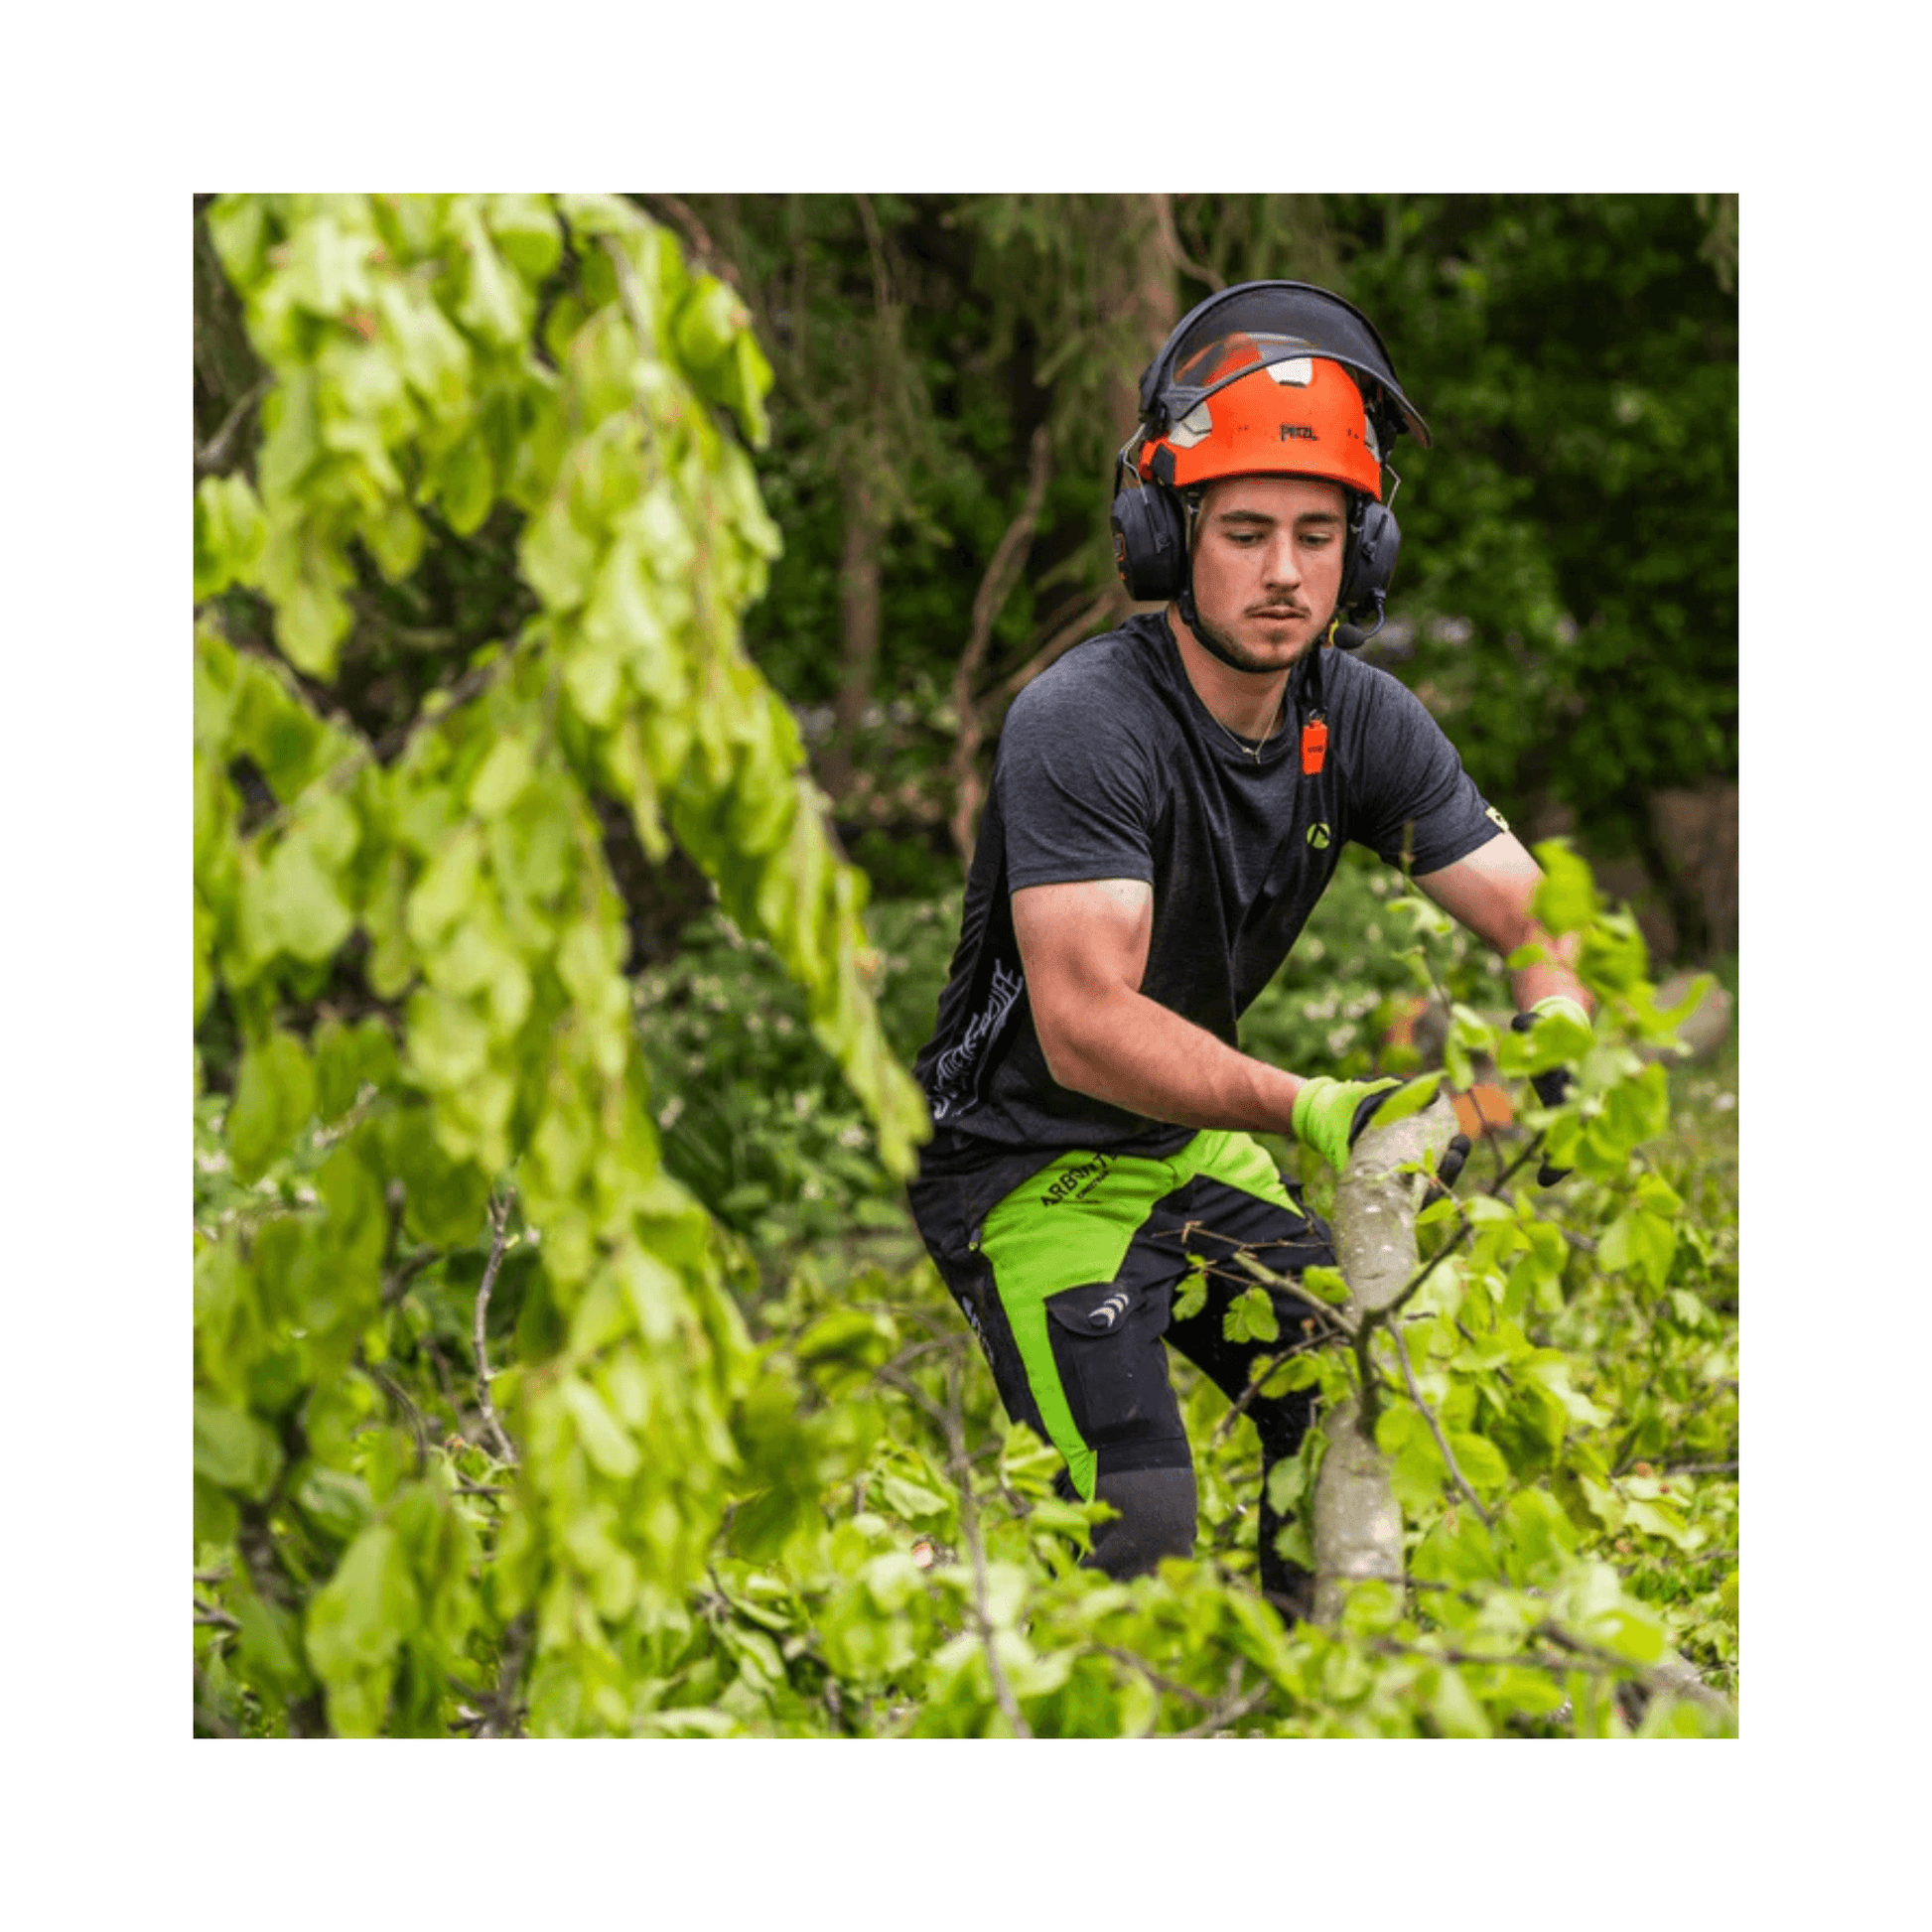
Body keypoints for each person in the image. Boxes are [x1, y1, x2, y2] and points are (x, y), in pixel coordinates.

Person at [905, 281, 1590, 1619]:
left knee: (1350, 1391)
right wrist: (1313, 1107)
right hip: (1025, 1169)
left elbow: (1533, 915)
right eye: (1245, 531)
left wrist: (1544, 1057)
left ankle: (1302, 1710)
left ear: (1362, 553)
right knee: (1137, 1531)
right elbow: (1086, 1020)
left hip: (1180, 1150)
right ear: (1169, 538)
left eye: (1318, 534)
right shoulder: (1084, 723)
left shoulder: (1363, 722)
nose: (1284, 572)